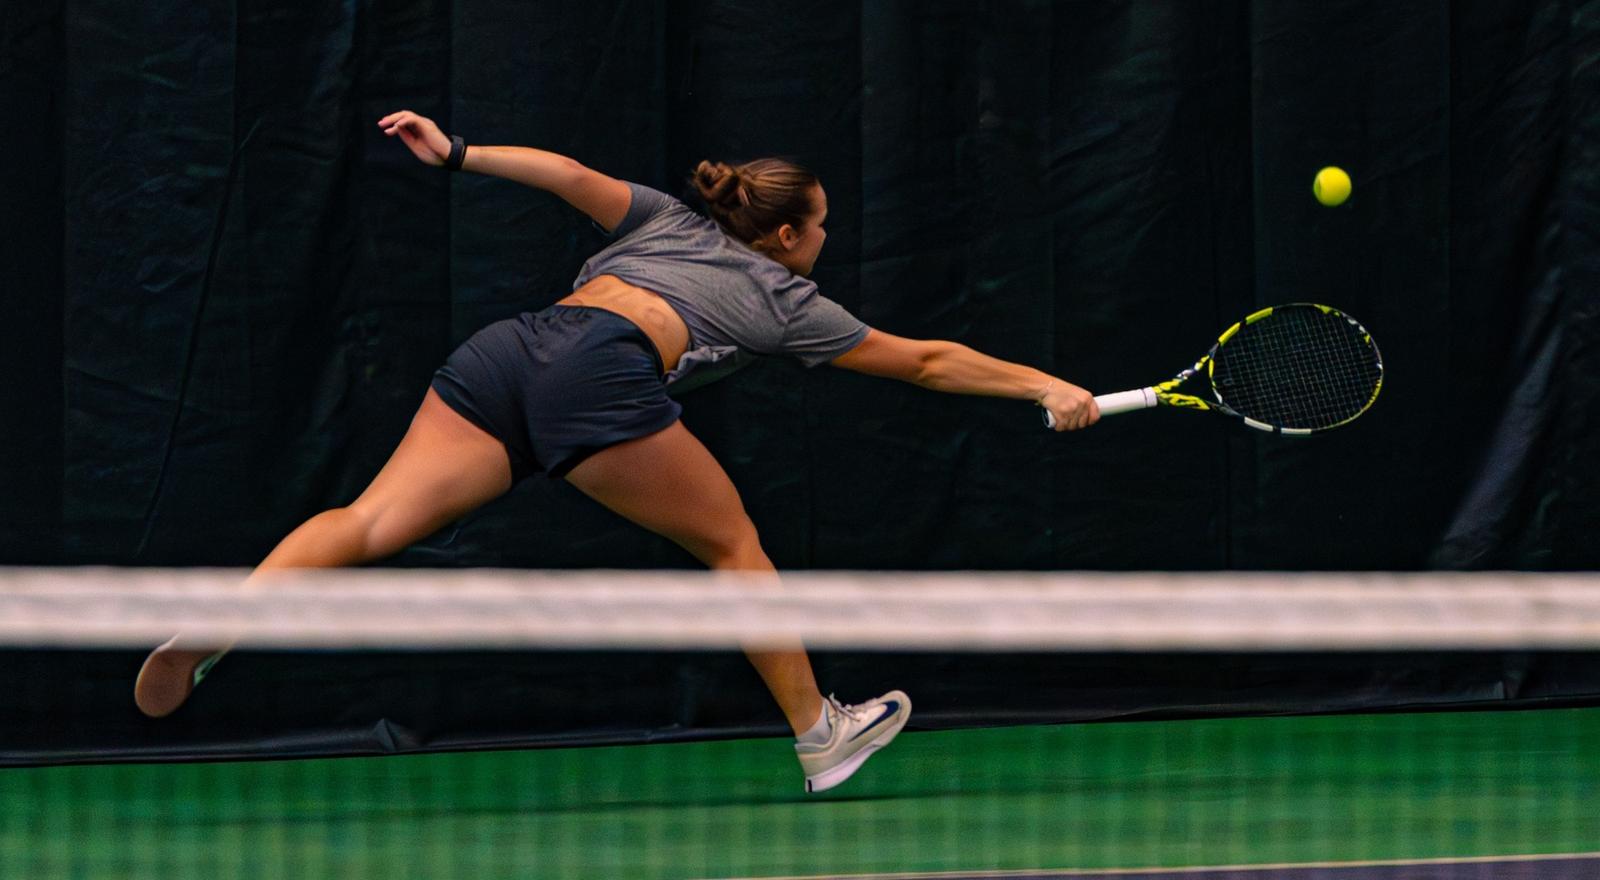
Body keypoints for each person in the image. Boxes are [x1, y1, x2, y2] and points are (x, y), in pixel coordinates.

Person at [135, 110, 1100, 793]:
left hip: (506, 349)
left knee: (368, 520)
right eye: (823, 225)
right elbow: (928, 362)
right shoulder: (786, 300)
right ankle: (821, 734)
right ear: (785, 235)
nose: (827, 237)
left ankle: (223, 622)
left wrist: (457, 151)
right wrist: (1045, 385)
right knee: (734, 552)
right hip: (597, 368)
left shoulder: (662, 218)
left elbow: (560, 173)